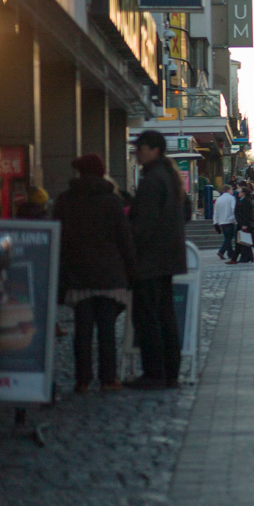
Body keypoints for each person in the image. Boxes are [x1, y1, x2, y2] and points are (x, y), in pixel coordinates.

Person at [55, 155, 136, 392]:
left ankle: (82, 379)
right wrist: (131, 272)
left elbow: (59, 238)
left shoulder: (65, 201)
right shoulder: (112, 201)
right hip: (109, 273)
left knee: (82, 328)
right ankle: (108, 378)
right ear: (101, 173)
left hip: (77, 273)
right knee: (107, 328)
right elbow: (124, 239)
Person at [128, 130, 188, 389]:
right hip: (166, 258)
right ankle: (170, 372)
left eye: (141, 148)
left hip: (151, 260)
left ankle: (154, 373)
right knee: (165, 315)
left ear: (154, 149)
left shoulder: (152, 180)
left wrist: (131, 248)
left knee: (148, 317)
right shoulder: (169, 177)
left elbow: (143, 225)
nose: (137, 153)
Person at [212, 183, 237, 261]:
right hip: (229, 220)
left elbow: (215, 212)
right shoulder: (231, 198)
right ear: (229, 190)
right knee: (229, 238)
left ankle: (230, 253)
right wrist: (234, 218)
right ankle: (222, 251)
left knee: (227, 237)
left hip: (222, 221)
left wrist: (215, 222)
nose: (232, 191)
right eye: (231, 189)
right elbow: (233, 209)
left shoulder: (218, 199)